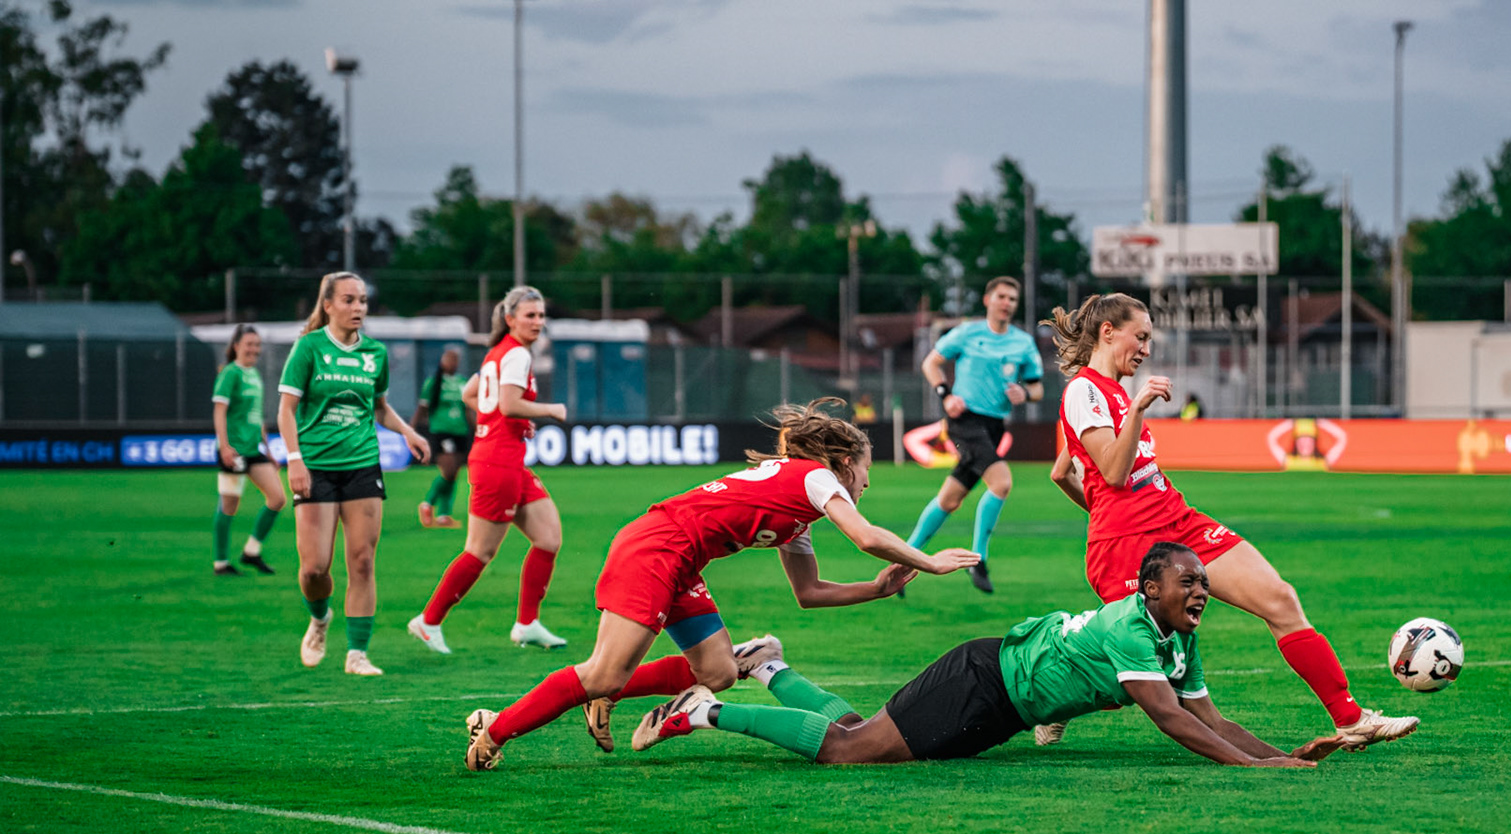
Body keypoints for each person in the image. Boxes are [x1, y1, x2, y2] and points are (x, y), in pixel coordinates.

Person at [463, 400, 979, 771]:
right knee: (601, 673)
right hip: (655, 548)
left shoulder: (797, 513)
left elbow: (810, 593)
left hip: (681, 560)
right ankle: (495, 732)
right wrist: (929, 562)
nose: (868, 482)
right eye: (866, 471)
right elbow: (865, 536)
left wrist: (876, 588)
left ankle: (615, 691)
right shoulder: (813, 477)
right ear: (845, 462)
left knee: (718, 671)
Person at [1046, 292, 1417, 753]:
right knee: (1145, 668)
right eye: (1140, 337)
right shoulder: (1084, 391)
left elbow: (1062, 471)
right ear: (1108, 332)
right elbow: (1114, 472)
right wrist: (1138, 413)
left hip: (1177, 521)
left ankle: (1352, 719)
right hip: (1128, 546)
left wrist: (1102, 498)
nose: (1146, 348)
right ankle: (1054, 702)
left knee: (1280, 598)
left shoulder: (1113, 392)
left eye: (1149, 340)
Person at [631, 542, 1318, 768]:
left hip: (1001, 703)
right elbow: (1172, 721)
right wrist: (1257, 772)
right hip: (986, 681)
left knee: (860, 738)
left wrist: (1278, 757)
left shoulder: (1179, 637)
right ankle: (707, 710)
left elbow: (1212, 719)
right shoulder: (1132, 627)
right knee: (849, 751)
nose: (1203, 590)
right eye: (1188, 581)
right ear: (1150, 589)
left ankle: (772, 667)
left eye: (1203, 581)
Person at [277, 272, 432, 675]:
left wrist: (407, 431)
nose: (358, 308)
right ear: (327, 305)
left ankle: (357, 654)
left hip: (363, 464)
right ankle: (319, 618)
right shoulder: (309, 348)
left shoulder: (374, 353)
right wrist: (294, 459)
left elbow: (378, 407)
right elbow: (286, 410)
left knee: (362, 562)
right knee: (315, 569)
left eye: (362, 300)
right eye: (348, 300)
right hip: (314, 467)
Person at [409, 287, 570, 654]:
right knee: (479, 551)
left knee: (548, 538)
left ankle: (527, 624)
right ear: (510, 319)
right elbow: (510, 404)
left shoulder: (498, 354)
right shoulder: (515, 355)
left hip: (508, 459)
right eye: (530, 315)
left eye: (542, 315)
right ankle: (429, 621)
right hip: (497, 462)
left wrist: (508, 420)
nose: (538, 322)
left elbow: (471, 394)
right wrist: (549, 410)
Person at [906, 276, 1045, 593]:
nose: (1006, 303)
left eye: (1012, 298)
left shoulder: (1022, 343)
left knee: (950, 499)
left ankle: (903, 560)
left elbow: (1037, 387)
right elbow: (932, 363)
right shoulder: (968, 332)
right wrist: (945, 394)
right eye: (1001, 296)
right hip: (964, 421)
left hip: (994, 426)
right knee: (1002, 482)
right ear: (987, 300)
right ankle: (979, 559)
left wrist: (1026, 394)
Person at [209, 324, 285, 576]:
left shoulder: (254, 374)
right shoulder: (230, 373)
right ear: (236, 346)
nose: (254, 349)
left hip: (254, 450)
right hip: (235, 452)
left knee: (278, 498)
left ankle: (251, 551)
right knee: (229, 506)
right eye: (249, 344)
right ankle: (220, 563)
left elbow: (256, 418)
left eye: (257, 345)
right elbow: (219, 411)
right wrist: (225, 447)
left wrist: (269, 450)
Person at [413, 344, 472, 528]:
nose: (453, 362)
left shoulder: (463, 382)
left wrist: (478, 427)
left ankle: (444, 515)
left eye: (456, 359)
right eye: (449, 359)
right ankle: (428, 503)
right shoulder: (434, 382)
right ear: (442, 361)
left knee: (454, 474)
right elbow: (422, 408)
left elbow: (468, 409)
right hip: (442, 431)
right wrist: (411, 430)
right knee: (448, 471)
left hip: (460, 431)